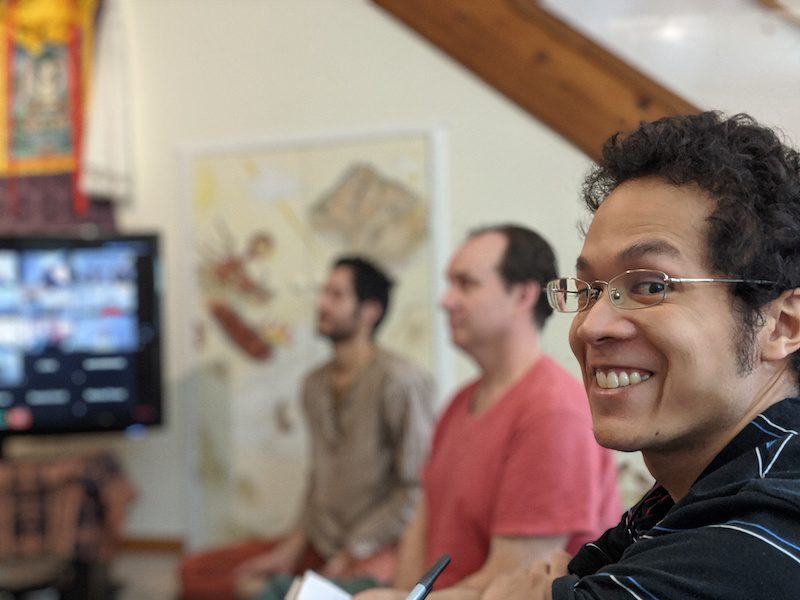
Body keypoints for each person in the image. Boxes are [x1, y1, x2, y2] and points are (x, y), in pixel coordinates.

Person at [483, 111, 800, 600]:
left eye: (651, 286)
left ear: (782, 325)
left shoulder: (759, 537)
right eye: (589, 290)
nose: (592, 326)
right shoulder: (682, 497)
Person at [356, 225, 621, 600]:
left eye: (466, 284)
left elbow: (511, 586)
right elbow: (421, 527)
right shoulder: (460, 402)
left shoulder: (553, 412)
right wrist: (399, 593)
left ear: (523, 295)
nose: (446, 301)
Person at [179, 256, 436, 600]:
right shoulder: (313, 384)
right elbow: (318, 480)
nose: (321, 304)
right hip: (319, 542)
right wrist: (289, 549)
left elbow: (415, 487)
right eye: (323, 293)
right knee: (194, 573)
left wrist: (356, 550)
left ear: (370, 311)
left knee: (267, 591)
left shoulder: (400, 382)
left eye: (336, 295)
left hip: (375, 550)